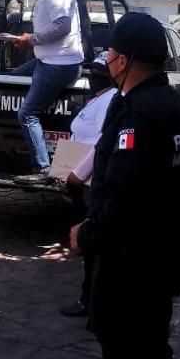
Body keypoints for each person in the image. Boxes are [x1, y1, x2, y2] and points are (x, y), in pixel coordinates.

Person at [69, 13, 180, 359]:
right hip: (161, 257)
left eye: (109, 53)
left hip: (130, 269)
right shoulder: (176, 107)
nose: (106, 61)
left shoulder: (139, 116)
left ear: (122, 61)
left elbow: (124, 201)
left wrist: (85, 233)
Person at [11, 0, 84, 184]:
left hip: (59, 64)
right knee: (12, 80)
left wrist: (31, 39)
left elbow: (62, 27)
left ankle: (42, 169)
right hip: (48, 60)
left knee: (27, 113)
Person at [61, 52, 116, 318]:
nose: (93, 77)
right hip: (79, 181)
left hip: (90, 182)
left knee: (92, 246)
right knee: (86, 247)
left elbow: (101, 145)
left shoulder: (110, 101)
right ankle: (89, 298)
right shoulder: (97, 99)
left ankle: (91, 301)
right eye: (92, 72)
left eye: (99, 73)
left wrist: (77, 174)